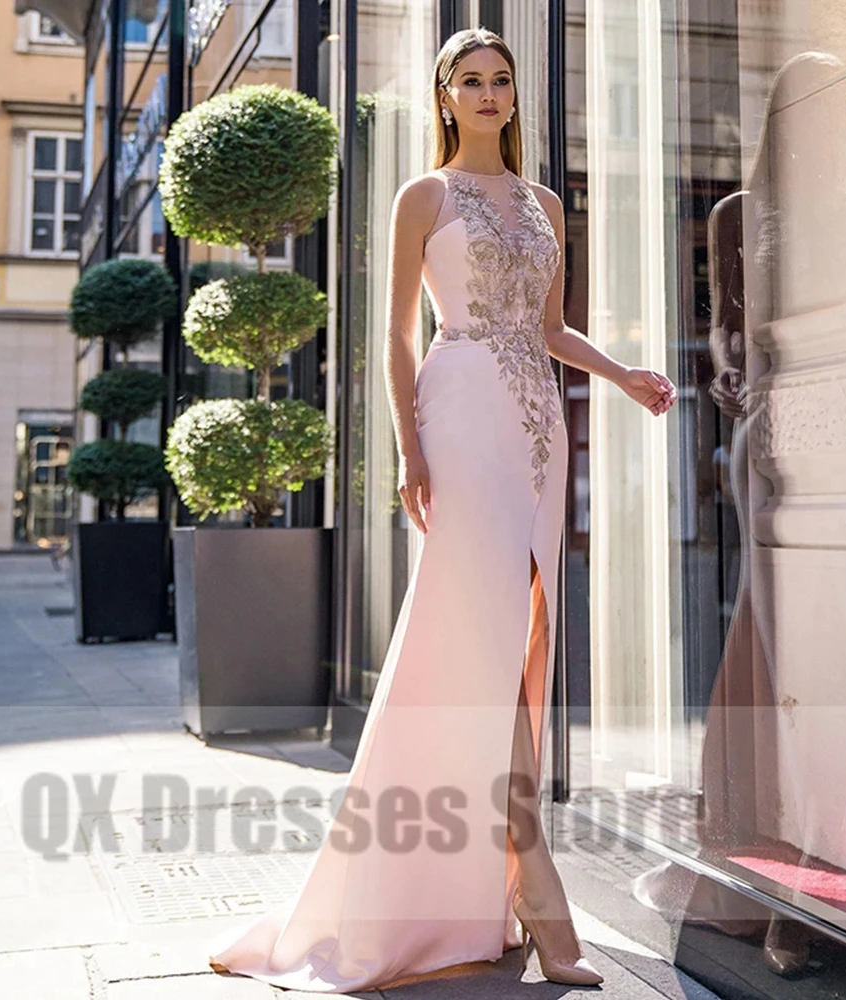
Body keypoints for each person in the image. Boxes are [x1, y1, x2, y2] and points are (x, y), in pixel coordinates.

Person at [205, 27, 676, 993]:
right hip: (459, 416)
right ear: (445, 94)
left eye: (504, 80)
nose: (493, 93)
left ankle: (489, 888)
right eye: (474, 80)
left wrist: (622, 374)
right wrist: (409, 449)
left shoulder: (546, 202)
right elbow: (394, 340)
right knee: (484, 632)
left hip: (538, 424)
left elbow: (545, 330)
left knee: (519, 636)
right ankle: (541, 899)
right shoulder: (421, 196)